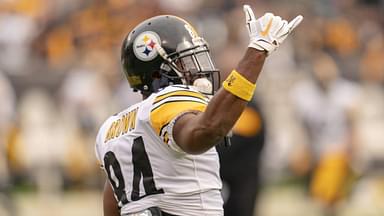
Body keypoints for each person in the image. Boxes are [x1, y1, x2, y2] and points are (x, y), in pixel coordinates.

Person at [95, 5, 303, 216]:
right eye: (185, 61)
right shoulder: (168, 100)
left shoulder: (111, 127)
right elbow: (206, 131)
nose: (195, 69)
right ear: (160, 72)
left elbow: (114, 202)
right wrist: (256, 54)